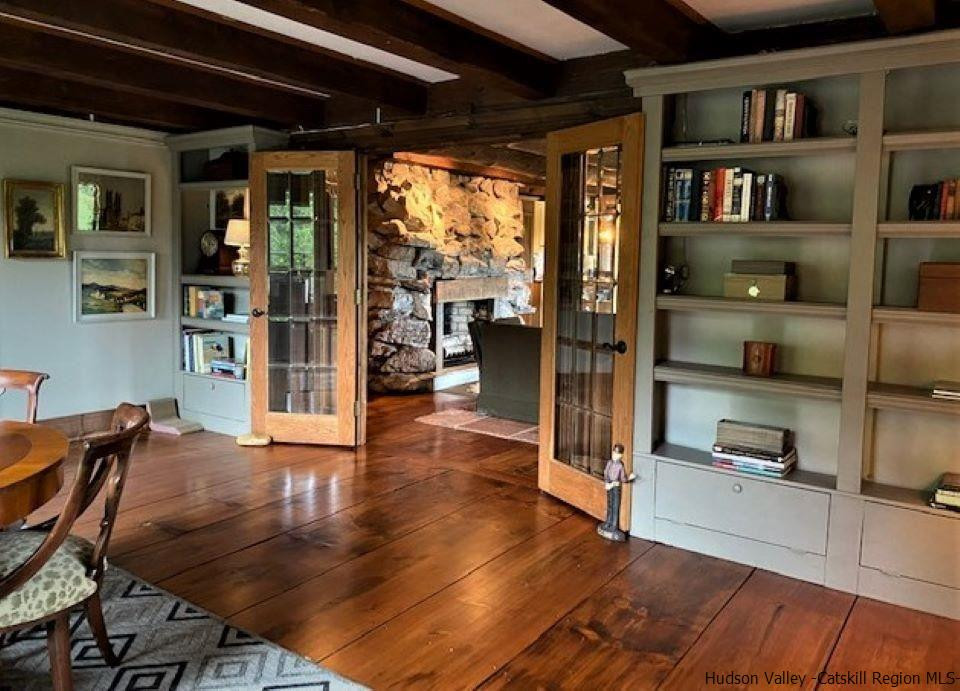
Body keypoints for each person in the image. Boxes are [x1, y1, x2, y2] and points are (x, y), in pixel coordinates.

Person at [597, 443, 636, 542]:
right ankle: (608, 522)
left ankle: (614, 525)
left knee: (615, 506)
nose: (615, 455)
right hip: (609, 485)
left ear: (621, 455)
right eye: (614, 453)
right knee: (610, 504)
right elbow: (606, 472)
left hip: (616, 487)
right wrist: (607, 482)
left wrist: (629, 479)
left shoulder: (620, 465)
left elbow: (623, 478)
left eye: (617, 454)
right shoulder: (609, 462)